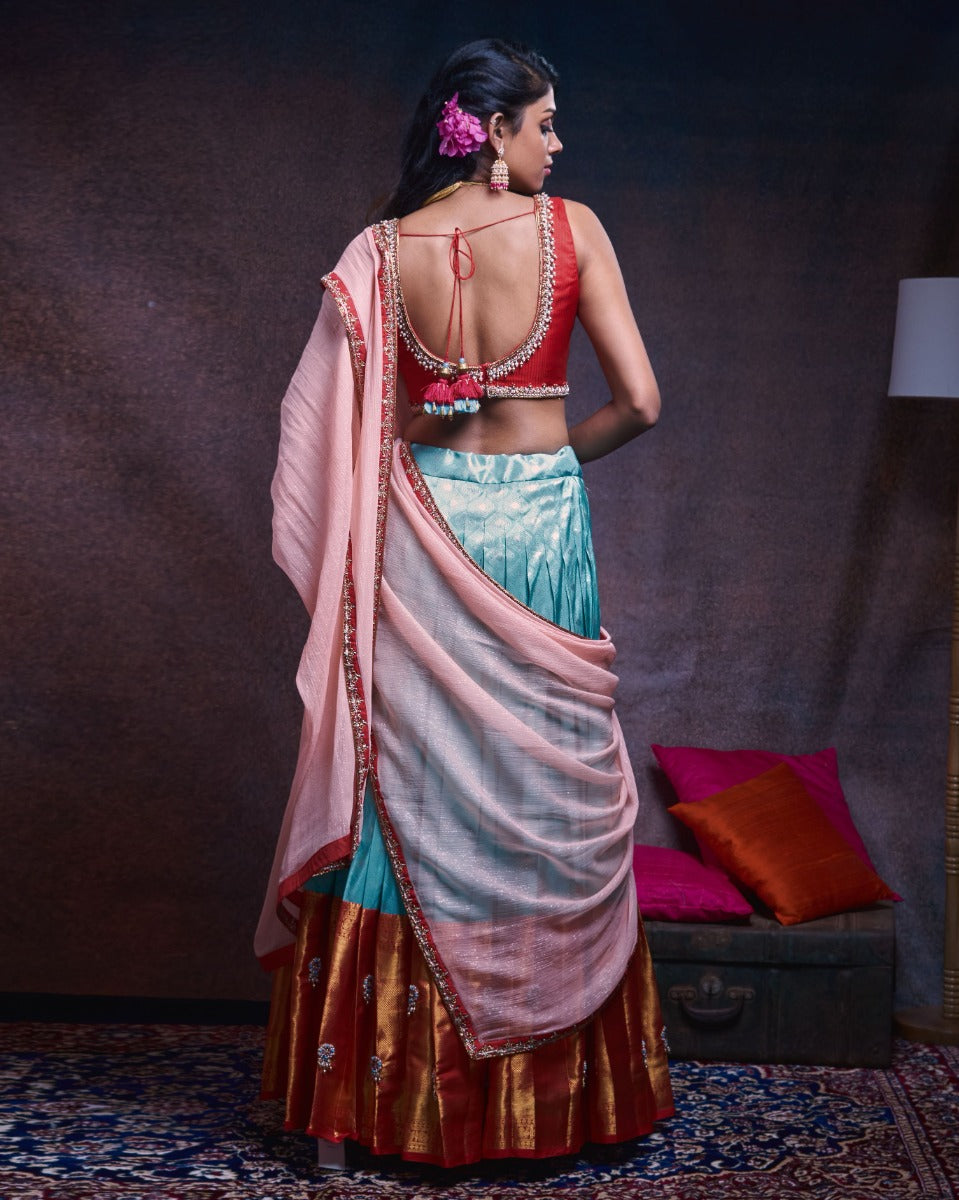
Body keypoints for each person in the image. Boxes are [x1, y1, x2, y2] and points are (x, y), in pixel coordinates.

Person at [256, 38, 673, 1170]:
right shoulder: (572, 230)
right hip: (535, 527)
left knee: (405, 785)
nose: (557, 143)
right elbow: (639, 402)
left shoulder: (379, 250)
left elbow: (339, 429)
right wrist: (553, 461)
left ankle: (352, 1114)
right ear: (490, 129)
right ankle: (544, 1112)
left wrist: (429, 443)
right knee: (533, 790)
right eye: (544, 123)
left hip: (420, 527)